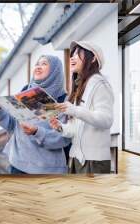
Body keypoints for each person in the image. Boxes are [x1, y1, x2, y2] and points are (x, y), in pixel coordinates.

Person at [0, 55, 71, 174]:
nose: (38, 67)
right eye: (37, 64)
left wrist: (36, 131)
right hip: (17, 165)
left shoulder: (63, 100)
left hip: (46, 170)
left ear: (55, 71)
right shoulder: (25, 91)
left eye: (44, 64)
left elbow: (63, 138)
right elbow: (12, 125)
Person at [49, 41, 114, 174]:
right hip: (75, 160)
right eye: (71, 55)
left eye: (78, 54)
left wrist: (74, 110)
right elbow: (75, 130)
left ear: (93, 58)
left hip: (94, 162)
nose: (72, 57)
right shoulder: (80, 87)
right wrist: (60, 127)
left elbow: (106, 120)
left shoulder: (99, 83)